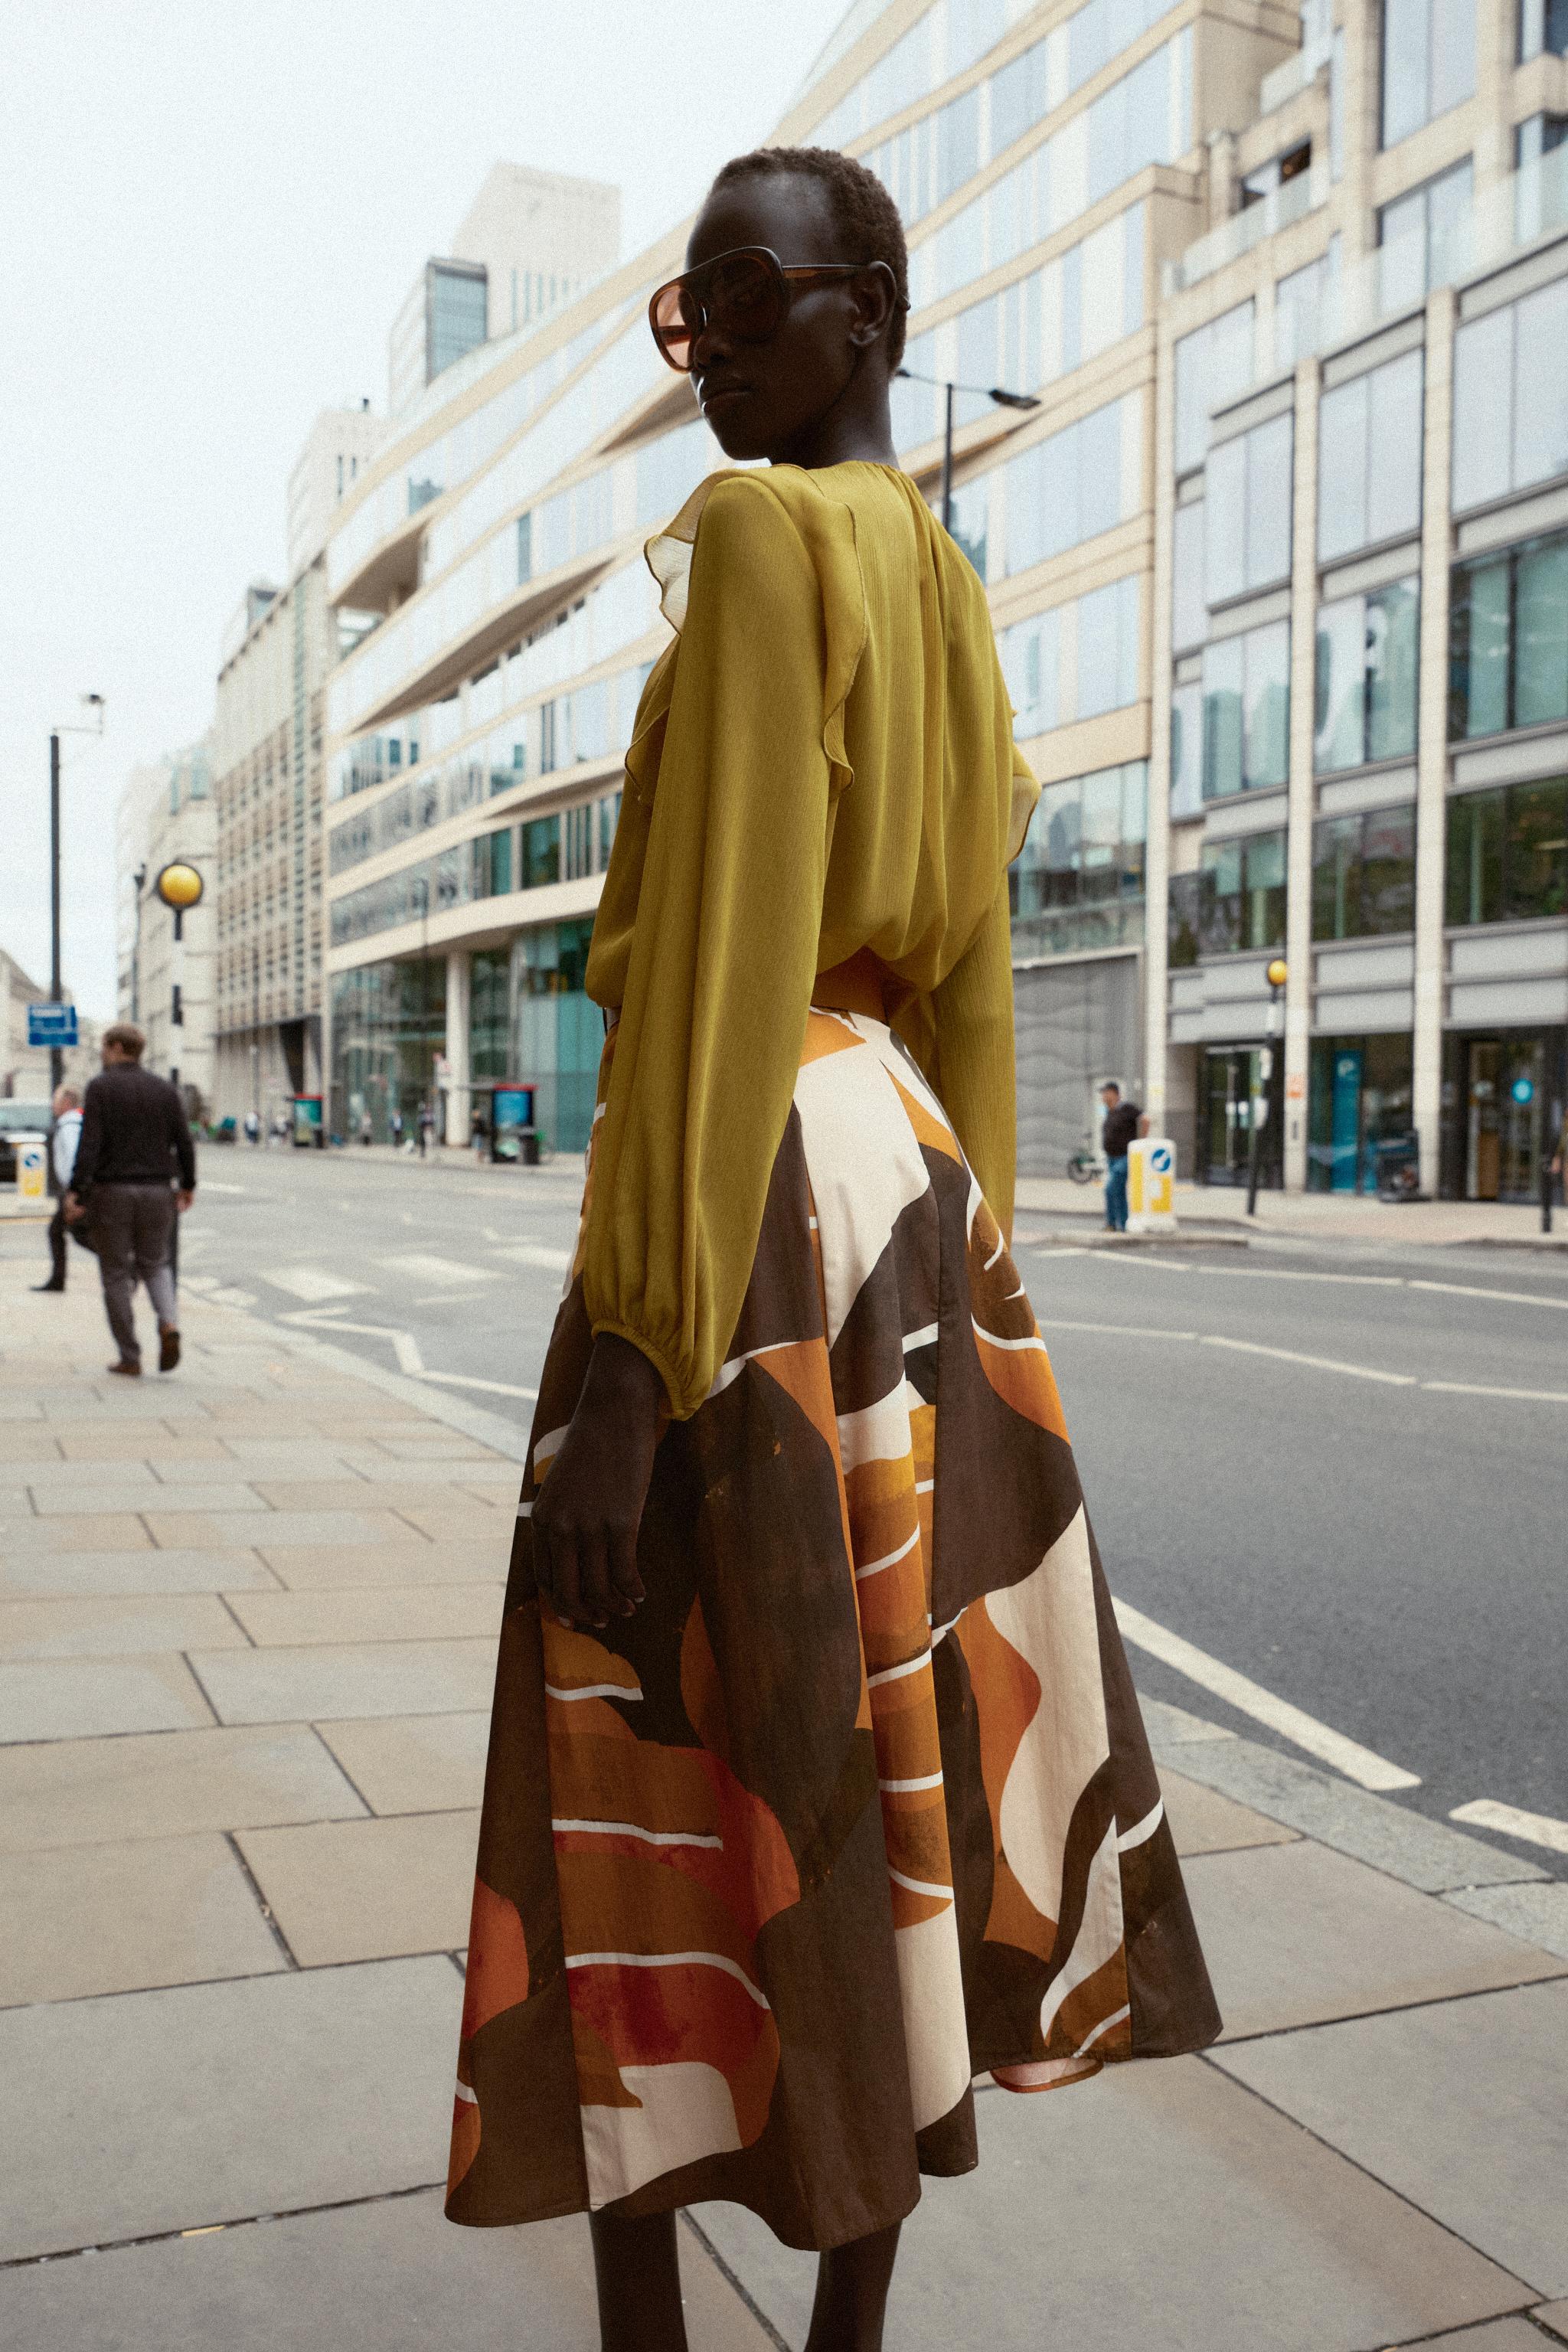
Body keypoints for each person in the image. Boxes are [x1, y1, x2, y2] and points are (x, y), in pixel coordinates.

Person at [446, 149, 1218, 2352]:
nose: (714, 352)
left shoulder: (763, 540)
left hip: (744, 1195)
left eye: (750, 302)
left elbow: (709, 968)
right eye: (689, 317)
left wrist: (627, 1371)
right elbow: (963, 980)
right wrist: (973, 1282)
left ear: (873, 309)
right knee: (885, 1797)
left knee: (638, 1757)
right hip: (892, 1200)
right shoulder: (952, 589)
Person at [66, 1023, 194, 1377]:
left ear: (117, 1047)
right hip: (157, 1190)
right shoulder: (165, 1090)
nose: (102, 1054)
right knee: (156, 1263)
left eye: (105, 1047)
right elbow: (184, 1141)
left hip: (113, 1192)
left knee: (116, 1273)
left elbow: (89, 1144)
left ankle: (130, 1356)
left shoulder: (101, 1088)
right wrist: (188, 1184)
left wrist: (76, 1191)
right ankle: (168, 1323)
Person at [32, 1085, 83, 1294]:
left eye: (56, 1099)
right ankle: (57, 1279)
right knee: (65, 1231)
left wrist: (73, 1191)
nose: (53, 1104)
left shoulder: (69, 1125)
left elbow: (73, 1158)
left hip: (73, 1191)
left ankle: (58, 1280)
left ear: (66, 1102)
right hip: (74, 1189)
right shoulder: (73, 1123)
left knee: (73, 1232)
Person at [1099, 1080, 1148, 1234]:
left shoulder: (1126, 1108)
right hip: (1112, 1158)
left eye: (1105, 1093)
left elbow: (1145, 1120)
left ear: (1113, 1093)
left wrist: (1141, 1142)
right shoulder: (1110, 1112)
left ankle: (1112, 1223)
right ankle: (1123, 1224)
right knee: (1118, 1191)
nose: (1103, 1097)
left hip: (1125, 1157)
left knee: (1110, 1189)